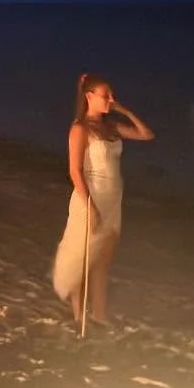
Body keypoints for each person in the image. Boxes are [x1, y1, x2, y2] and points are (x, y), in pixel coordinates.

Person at [51, 73, 154, 326]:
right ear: (89, 97)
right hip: (90, 198)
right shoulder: (80, 128)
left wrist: (123, 110)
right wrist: (90, 207)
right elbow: (74, 171)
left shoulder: (112, 127)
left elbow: (146, 134)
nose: (111, 98)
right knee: (82, 259)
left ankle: (100, 315)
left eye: (112, 95)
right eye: (105, 95)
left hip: (113, 200)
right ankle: (79, 317)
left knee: (103, 262)